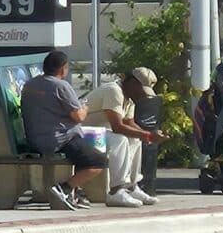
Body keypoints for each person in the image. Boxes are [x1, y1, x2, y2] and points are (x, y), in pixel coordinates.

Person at [21, 51, 109, 210]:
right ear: (63, 69)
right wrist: (85, 107)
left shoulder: (30, 84)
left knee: (86, 152)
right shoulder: (61, 86)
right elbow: (78, 116)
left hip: (34, 139)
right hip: (61, 140)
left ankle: (76, 192)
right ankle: (65, 188)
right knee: (99, 161)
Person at [83, 67, 168, 207]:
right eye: (142, 90)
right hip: (84, 133)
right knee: (120, 140)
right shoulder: (113, 91)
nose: (143, 95)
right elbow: (118, 126)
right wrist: (148, 135)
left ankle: (132, 187)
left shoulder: (130, 98)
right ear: (132, 83)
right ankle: (116, 191)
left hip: (101, 133)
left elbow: (129, 123)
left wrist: (148, 136)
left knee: (135, 138)